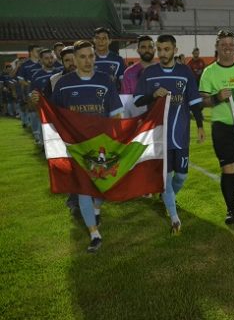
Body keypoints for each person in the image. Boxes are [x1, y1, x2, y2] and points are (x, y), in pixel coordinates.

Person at [52, 40, 124, 253]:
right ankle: (94, 234)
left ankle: (96, 208)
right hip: (76, 147)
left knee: (103, 185)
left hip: (101, 145)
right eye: (82, 57)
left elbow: (116, 113)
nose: (87, 61)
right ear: (74, 59)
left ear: (95, 57)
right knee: (83, 188)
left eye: (90, 56)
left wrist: (117, 137)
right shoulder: (63, 84)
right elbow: (55, 115)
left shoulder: (105, 81)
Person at [134, 35, 206, 234]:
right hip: (159, 136)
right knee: (166, 178)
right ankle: (174, 217)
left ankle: (167, 196)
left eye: (167, 49)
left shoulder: (185, 72)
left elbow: (193, 102)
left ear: (174, 50)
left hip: (180, 134)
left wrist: (200, 126)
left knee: (181, 176)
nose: (163, 53)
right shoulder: (149, 73)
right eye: (160, 49)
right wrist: (153, 95)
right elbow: (138, 101)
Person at [199, 29, 234, 224]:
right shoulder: (209, 72)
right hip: (222, 126)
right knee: (228, 167)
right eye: (223, 44)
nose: (227, 48)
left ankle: (232, 195)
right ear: (217, 46)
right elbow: (201, 101)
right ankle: (230, 209)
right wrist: (217, 97)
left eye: (230, 44)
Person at [28, 48, 61, 146]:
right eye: (46, 58)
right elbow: (32, 93)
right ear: (41, 60)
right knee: (45, 129)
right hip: (44, 109)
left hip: (59, 109)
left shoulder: (60, 73)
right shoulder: (36, 76)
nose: (50, 60)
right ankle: (44, 146)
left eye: (51, 57)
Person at [93, 27, 125, 92]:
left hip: (112, 98)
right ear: (94, 40)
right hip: (91, 97)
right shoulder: (88, 59)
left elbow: (123, 83)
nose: (100, 41)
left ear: (110, 41)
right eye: (97, 38)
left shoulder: (118, 60)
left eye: (104, 38)